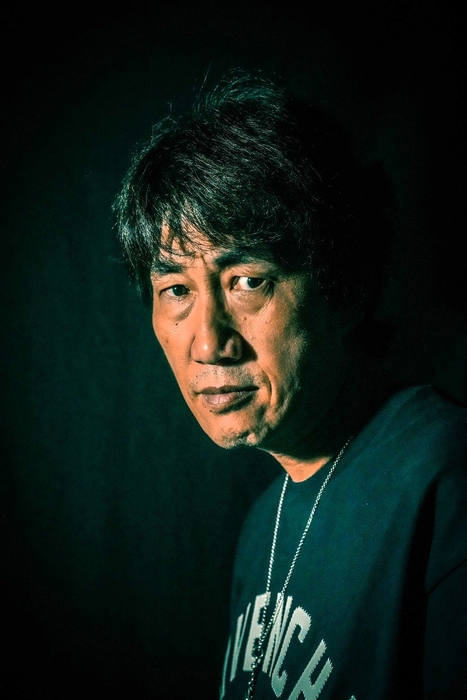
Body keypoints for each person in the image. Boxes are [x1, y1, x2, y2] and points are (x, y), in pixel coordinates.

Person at [113, 70, 467, 699]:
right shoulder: (261, 531)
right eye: (176, 290)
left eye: (248, 281)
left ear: (345, 286)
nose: (207, 343)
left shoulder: (445, 476)